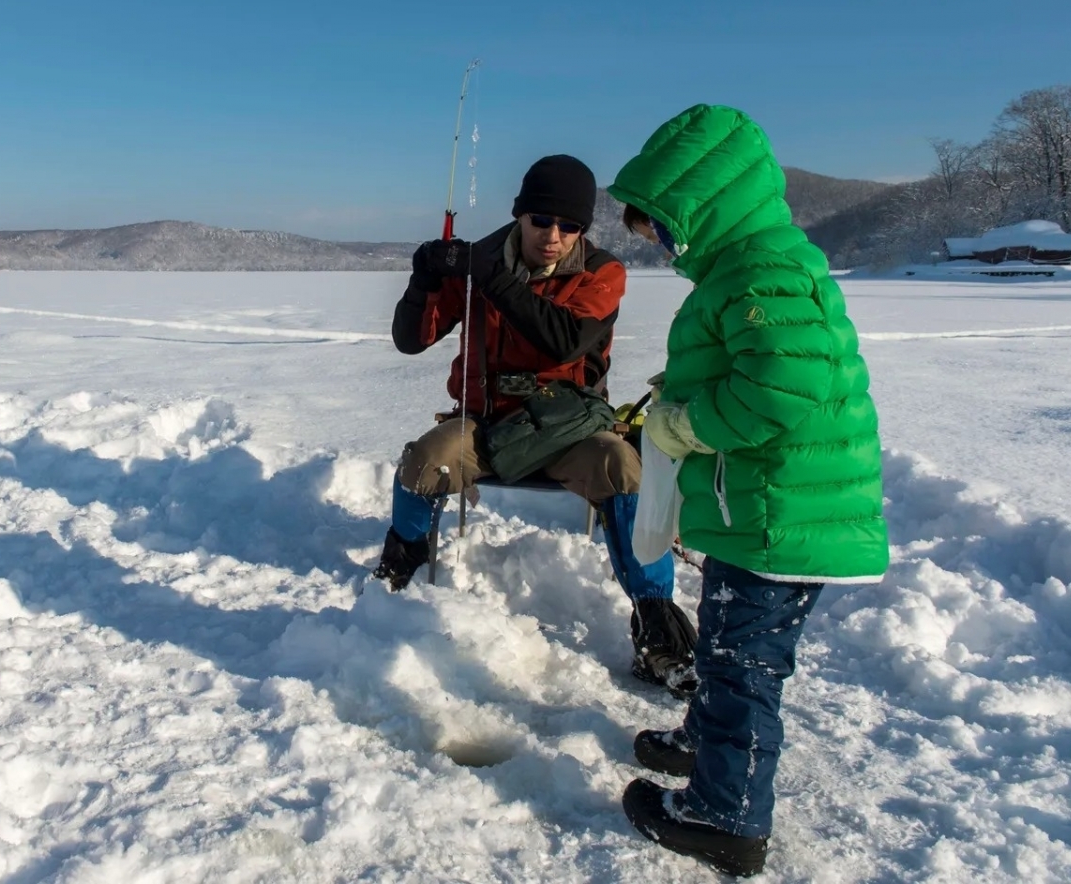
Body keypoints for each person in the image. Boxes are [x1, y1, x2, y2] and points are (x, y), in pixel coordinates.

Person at [608, 105, 889, 877]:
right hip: (770, 512)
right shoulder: (753, 266)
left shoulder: (761, 272)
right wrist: (683, 391)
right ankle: (706, 744)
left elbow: (781, 389)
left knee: (742, 666)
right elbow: (758, 366)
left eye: (663, 229)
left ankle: (725, 815)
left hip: (778, 516)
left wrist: (689, 426)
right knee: (733, 641)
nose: (661, 248)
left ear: (706, 206)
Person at [374, 154, 700, 697]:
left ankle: (657, 624)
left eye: (570, 226)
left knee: (622, 466)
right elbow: (413, 338)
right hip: (485, 422)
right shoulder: (480, 266)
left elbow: (564, 340)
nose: (554, 236)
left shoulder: (602, 273)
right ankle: (401, 561)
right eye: (542, 221)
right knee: (423, 461)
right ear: (519, 215)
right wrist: (424, 278)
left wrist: (491, 277)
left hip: (568, 429)